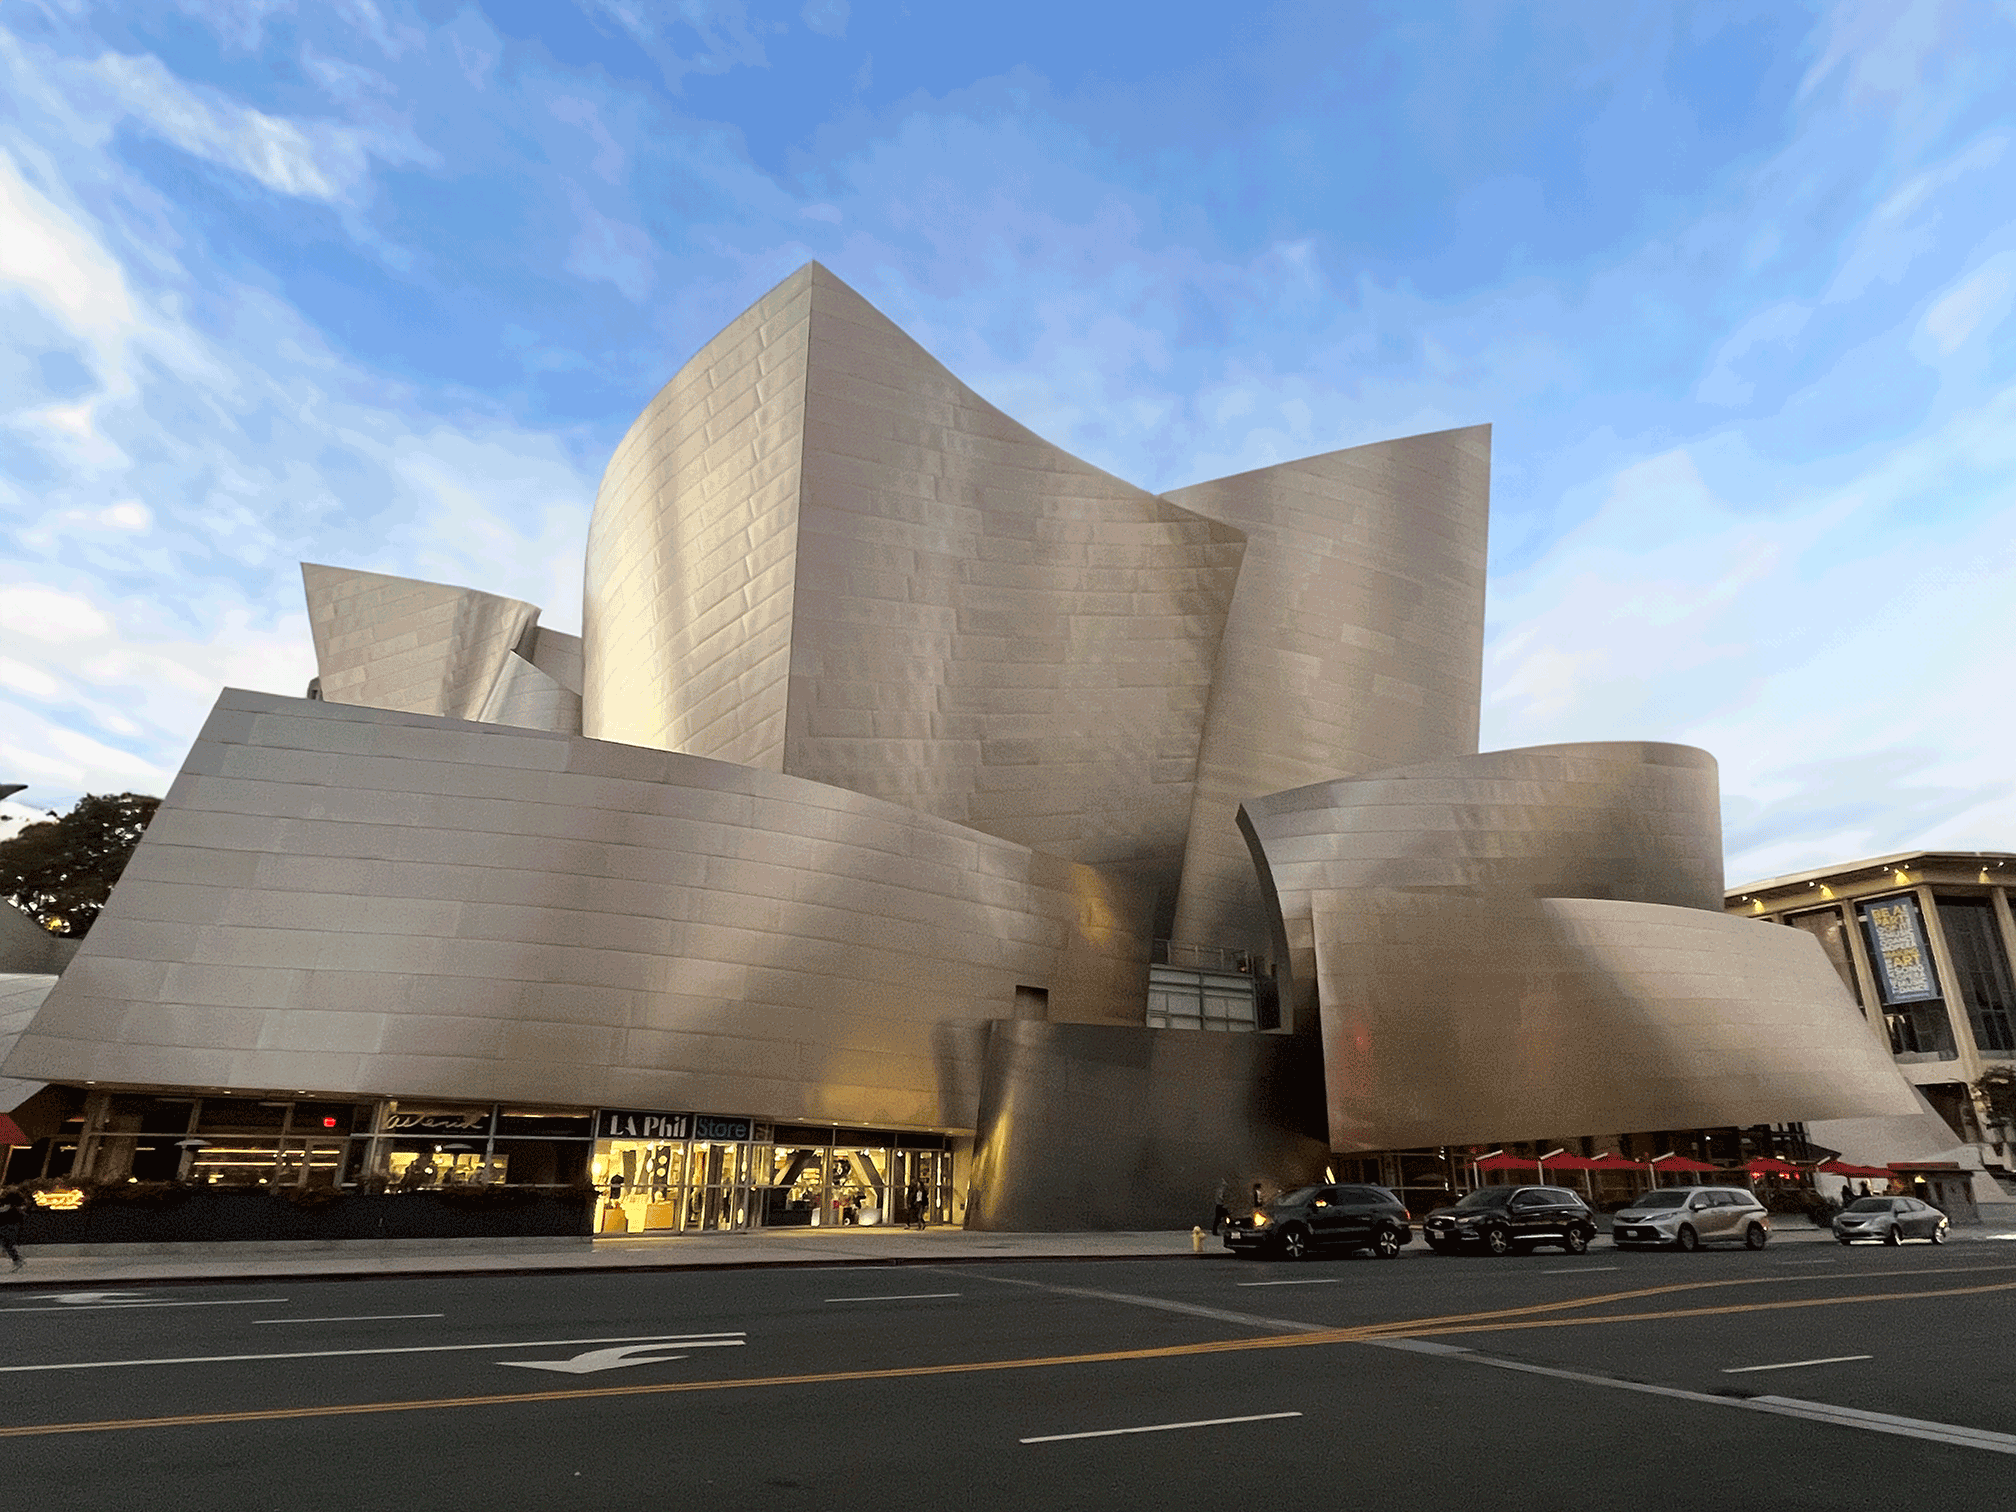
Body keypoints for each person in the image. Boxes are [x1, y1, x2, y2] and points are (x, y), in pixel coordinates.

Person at [0, 1186, 26, 1270]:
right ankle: (17, 1259)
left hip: (8, 1224)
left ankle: (17, 1259)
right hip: (7, 1224)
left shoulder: (10, 1201)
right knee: (6, 1243)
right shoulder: (10, 1202)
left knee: (6, 1243)